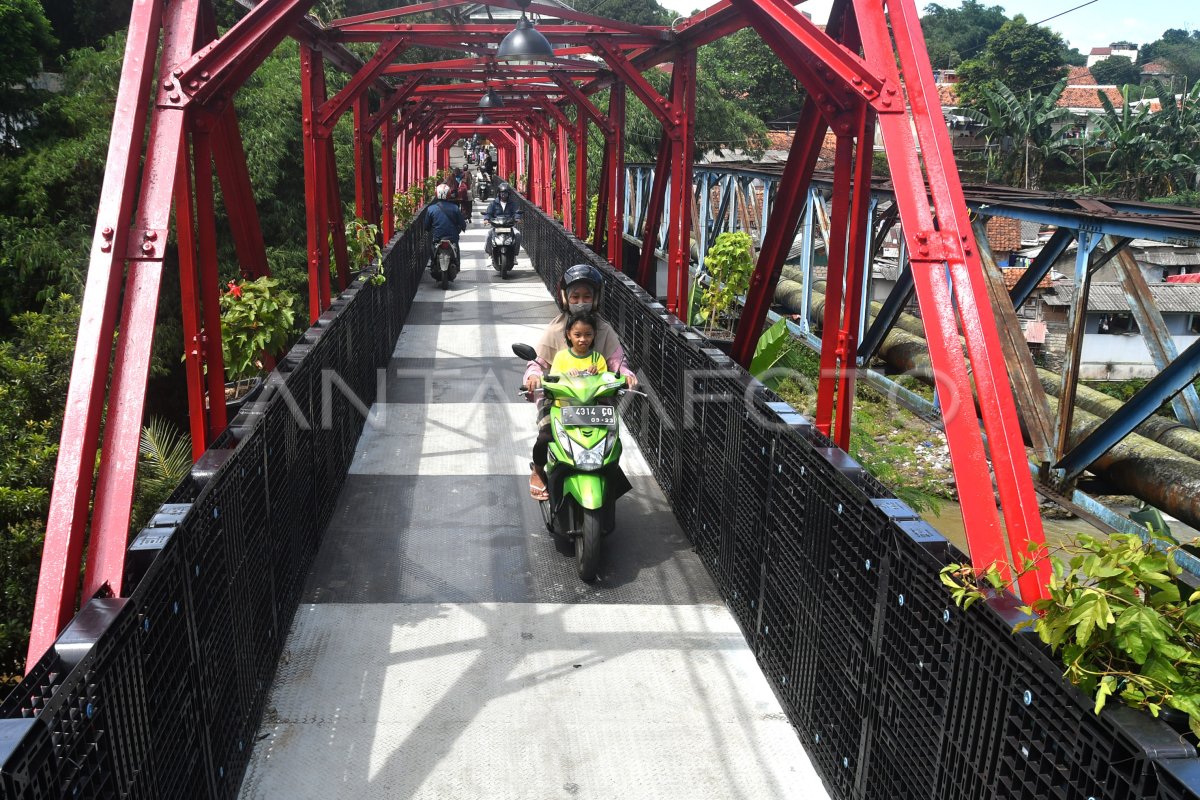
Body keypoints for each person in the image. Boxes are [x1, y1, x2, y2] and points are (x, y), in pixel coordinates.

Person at [523, 264, 638, 500]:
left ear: (596, 299)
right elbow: (537, 363)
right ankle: (538, 470)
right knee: (546, 435)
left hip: (594, 400)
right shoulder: (555, 330)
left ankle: (607, 474)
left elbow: (617, 362)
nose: (581, 301)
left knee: (612, 441)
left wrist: (626, 375)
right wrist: (533, 378)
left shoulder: (604, 330)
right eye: (575, 296)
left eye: (587, 296)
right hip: (559, 400)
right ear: (565, 297)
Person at [424, 183, 466, 272]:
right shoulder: (455, 208)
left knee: (432, 246)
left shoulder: (431, 209)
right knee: (456, 247)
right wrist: (462, 227)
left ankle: (433, 263)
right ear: (449, 194)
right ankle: (457, 265)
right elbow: (462, 223)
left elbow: (427, 226)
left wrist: (428, 228)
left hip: (438, 237)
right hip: (452, 237)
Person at [484, 182, 523, 266]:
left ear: (508, 194)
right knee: (488, 235)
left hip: (509, 226)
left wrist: (517, 218)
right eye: (502, 193)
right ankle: (490, 255)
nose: (503, 195)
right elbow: (488, 213)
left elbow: (516, 212)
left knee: (518, 235)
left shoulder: (512, 203)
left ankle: (514, 255)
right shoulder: (493, 203)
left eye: (505, 193)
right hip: (496, 226)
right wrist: (486, 219)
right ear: (499, 193)